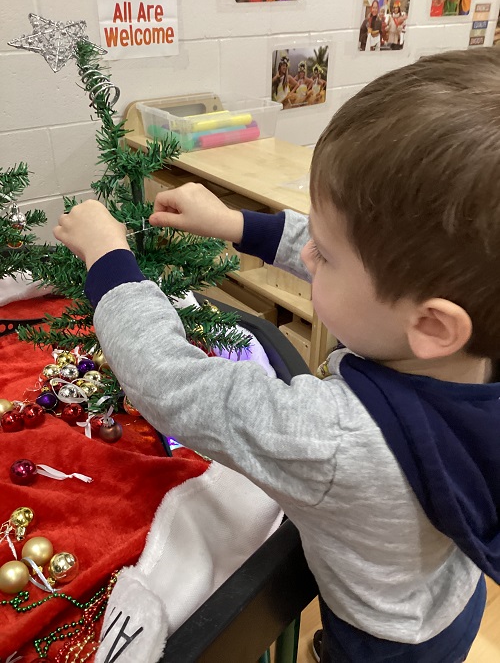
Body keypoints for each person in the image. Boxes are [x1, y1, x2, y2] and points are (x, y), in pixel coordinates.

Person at [54, 47, 500, 662]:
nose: (309, 253)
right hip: (452, 595)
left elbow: (169, 380)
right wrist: (239, 225)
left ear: (432, 324)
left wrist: (108, 259)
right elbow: (374, 271)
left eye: (324, 251)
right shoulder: (465, 349)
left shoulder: (334, 437)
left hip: (382, 645)